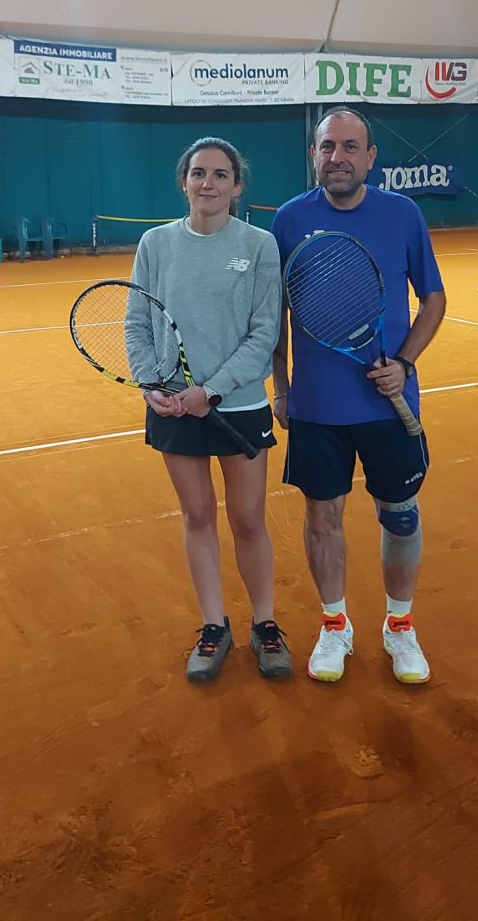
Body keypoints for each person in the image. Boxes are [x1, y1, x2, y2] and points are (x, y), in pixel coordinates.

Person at [271, 108, 446, 684]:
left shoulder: (403, 214)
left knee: (400, 515)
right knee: (322, 516)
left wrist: (404, 363)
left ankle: (400, 626)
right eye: (328, 147)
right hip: (317, 406)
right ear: (314, 155)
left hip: (388, 402)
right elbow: (275, 315)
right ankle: (334, 625)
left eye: (350, 147)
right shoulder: (289, 219)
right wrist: (281, 387)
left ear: (371, 157)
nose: (337, 157)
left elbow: (434, 299)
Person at [128, 137, 292, 683]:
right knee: (197, 515)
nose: (208, 183)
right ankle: (213, 626)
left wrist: (212, 391)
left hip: (238, 406)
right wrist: (151, 383)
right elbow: (136, 322)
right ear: (184, 182)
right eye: (198, 173)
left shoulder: (260, 245)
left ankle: (265, 624)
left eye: (221, 174)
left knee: (248, 518)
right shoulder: (155, 244)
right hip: (173, 407)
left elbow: (265, 332)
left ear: (237, 186)